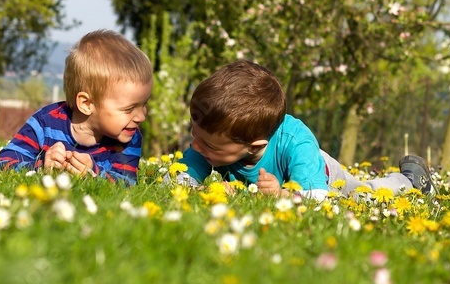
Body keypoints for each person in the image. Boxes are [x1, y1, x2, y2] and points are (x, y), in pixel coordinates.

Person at [172, 60, 434, 201]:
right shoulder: (208, 140)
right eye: (194, 133)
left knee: (366, 195)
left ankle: (409, 182)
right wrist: (200, 191)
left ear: (253, 146)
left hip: (326, 177)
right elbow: (177, 183)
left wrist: (281, 194)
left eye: (208, 145)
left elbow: (317, 198)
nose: (196, 146)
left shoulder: (296, 143)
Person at [0, 30, 153, 186]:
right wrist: (41, 166)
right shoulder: (45, 123)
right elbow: (4, 163)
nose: (141, 117)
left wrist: (93, 174)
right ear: (86, 104)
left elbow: (127, 184)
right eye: (129, 109)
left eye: (144, 104)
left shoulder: (129, 137)